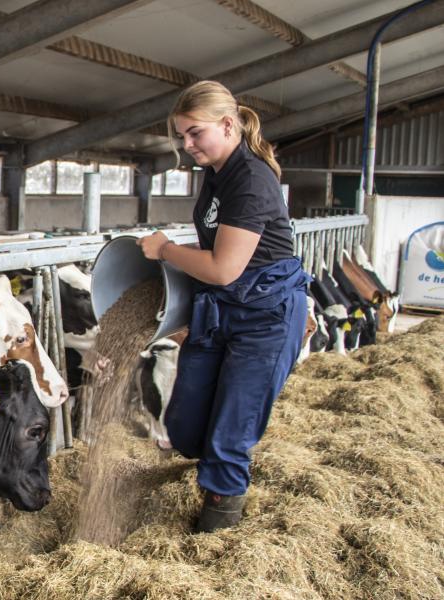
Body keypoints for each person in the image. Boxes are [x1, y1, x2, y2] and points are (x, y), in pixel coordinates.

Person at [139, 80, 310, 533]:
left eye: (195, 133)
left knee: (230, 434)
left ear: (228, 125)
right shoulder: (216, 176)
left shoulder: (251, 177)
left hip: (266, 315)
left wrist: (164, 250)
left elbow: (223, 268)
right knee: (185, 423)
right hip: (223, 311)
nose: (186, 144)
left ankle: (218, 528)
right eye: (182, 136)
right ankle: (213, 470)